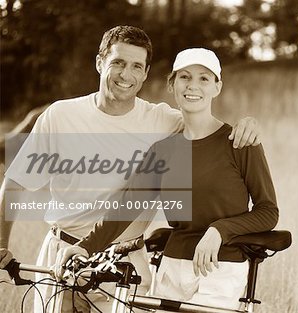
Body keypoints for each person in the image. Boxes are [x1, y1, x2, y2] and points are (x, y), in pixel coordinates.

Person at [0, 26, 260, 313]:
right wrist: (1, 244)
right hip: (63, 254)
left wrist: (246, 124)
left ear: (146, 73)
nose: (126, 75)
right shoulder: (61, 116)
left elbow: (206, 127)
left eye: (137, 66)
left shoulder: (163, 121)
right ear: (100, 63)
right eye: (118, 63)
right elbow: (14, 182)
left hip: (125, 261)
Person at [55, 48, 279, 310]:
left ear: (217, 87)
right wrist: (86, 246)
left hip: (223, 267)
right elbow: (127, 206)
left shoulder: (238, 143)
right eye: (184, 77)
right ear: (172, 85)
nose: (193, 86)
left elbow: (268, 211)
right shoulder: (164, 151)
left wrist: (219, 230)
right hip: (172, 265)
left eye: (204, 79)